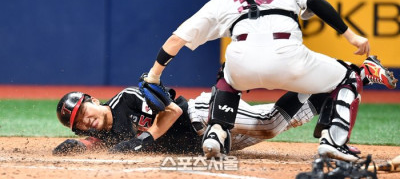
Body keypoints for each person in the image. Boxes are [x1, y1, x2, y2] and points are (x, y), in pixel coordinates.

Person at [138, 0, 397, 162]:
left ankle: (217, 130)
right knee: (347, 77)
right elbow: (317, 4)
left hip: (242, 61)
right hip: (289, 57)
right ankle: (334, 141)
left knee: (227, 74)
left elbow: (175, 40)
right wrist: (351, 36)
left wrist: (154, 75)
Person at [53, 86, 322, 155]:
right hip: (206, 143)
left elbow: (173, 111)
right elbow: (98, 144)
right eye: (78, 122)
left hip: (203, 115)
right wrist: (78, 146)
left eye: (82, 110)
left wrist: (143, 140)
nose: (85, 120)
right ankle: (327, 93)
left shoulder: (126, 99)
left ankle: (325, 80)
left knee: (268, 122)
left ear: (94, 101)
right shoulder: (105, 134)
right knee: (276, 125)